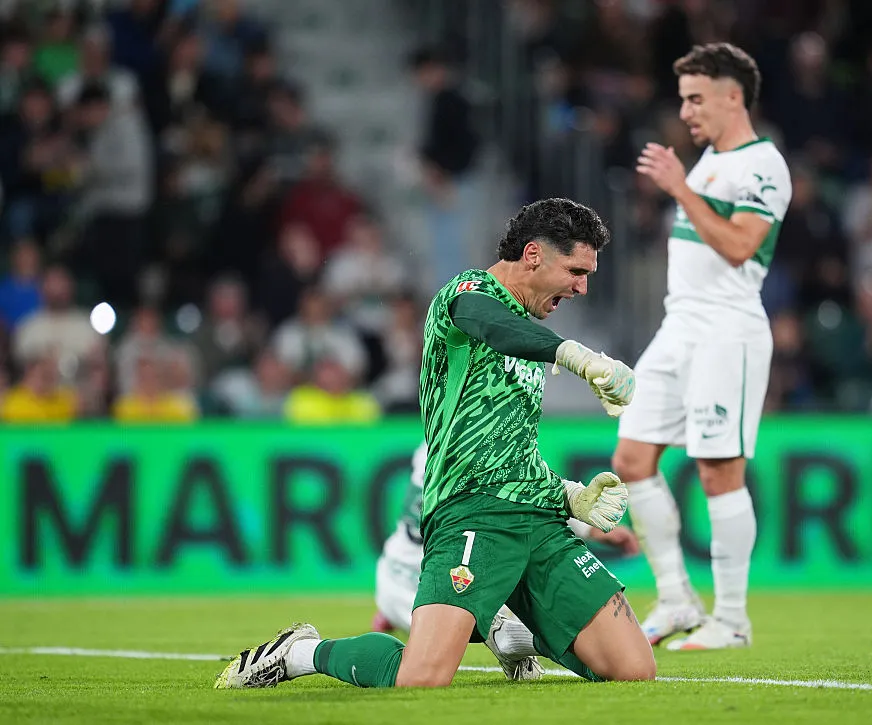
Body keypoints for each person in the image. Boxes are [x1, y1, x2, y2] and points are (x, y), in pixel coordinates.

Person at [215, 197, 653, 690]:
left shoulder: (528, 338)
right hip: (472, 515)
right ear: (533, 255)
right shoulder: (465, 296)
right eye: (576, 270)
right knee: (422, 677)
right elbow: (492, 325)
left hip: (539, 520)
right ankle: (301, 653)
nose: (582, 287)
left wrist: (570, 496)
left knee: (635, 668)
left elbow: (503, 444)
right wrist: (575, 354)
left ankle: (506, 628)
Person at [612, 43, 792, 650]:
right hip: (679, 327)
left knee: (719, 474)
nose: (686, 111)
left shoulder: (761, 165)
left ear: (732, 95)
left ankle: (733, 621)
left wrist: (680, 189)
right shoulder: (711, 162)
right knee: (632, 461)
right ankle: (676, 599)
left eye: (695, 97)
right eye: (683, 98)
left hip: (726, 331)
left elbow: (740, 245)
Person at [371, 441, 641, 636]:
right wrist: (588, 529)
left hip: (393, 575)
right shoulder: (475, 448)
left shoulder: (432, 446)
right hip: (436, 584)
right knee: (505, 628)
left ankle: (391, 611)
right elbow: (519, 499)